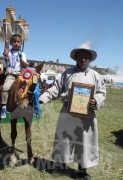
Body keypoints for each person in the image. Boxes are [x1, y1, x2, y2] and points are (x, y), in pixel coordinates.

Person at [39, 48, 106, 179]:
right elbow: (56, 88)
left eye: (86, 57)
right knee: (64, 140)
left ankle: (82, 170)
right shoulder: (67, 74)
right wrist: (43, 98)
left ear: (90, 59)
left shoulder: (95, 75)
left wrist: (96, 100)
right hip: (67, 113)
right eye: (80, 57)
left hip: (87, 114)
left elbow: (102, 93)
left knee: (85, 141)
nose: (83, 59)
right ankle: (61, 166)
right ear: (76, 58)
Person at [0, 34, 27, 118]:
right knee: (5, 87)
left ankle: (29, 105)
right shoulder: (8, 53)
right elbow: (4, 65)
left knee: (27, 88)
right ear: (11, 43)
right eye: (14, 42)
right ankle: (4, 106)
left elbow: (25, 65)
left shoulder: (22, 54)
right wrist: (5, 57)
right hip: (11, 74)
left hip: (19, 74)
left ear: (21, 44)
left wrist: (21, 59)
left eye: (18, 42)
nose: (16, 43)